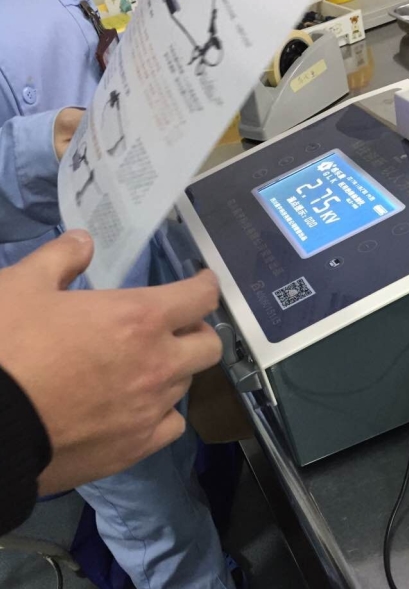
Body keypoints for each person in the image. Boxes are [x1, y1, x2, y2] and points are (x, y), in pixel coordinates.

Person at [0, 2, 239, 587]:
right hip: (58, 342)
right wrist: (34, 155)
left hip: (140, 239)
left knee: (178, 454)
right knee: (155, 520)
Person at [0, 230, 222, 536]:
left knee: (172, 448)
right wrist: (17, 424)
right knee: (152, 513)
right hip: (54, 359)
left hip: (123, 281)